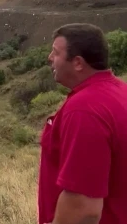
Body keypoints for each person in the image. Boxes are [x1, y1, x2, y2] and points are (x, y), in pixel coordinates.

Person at [38, 23, 127, 224]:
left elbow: (83, 209)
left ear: (78, 63)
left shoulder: (84, 110)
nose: (49, 58)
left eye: (56, 52)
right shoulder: (120, 92)